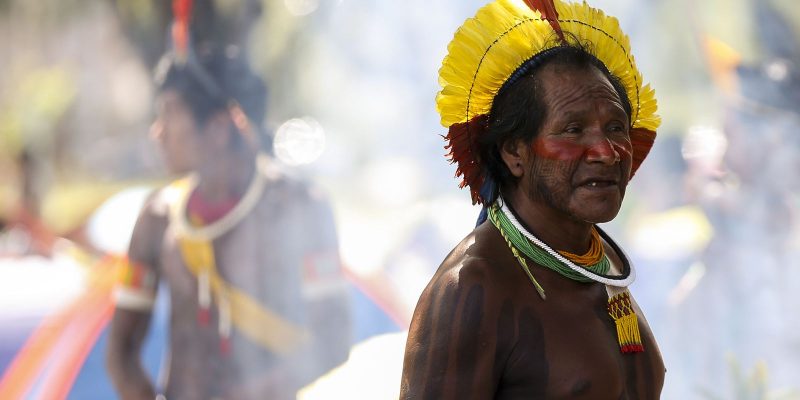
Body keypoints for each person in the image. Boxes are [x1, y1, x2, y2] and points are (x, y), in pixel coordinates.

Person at [400, 0, 665, 398]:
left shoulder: (598, 267)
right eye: (573, 129)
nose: (607, 151)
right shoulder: (473, 287)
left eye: (615, 127)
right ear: (514, 153)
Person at [106, 47, 350, 399]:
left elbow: (332, 339)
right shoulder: (156, 218)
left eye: (170, 114)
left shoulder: (301, 208)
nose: (158, 132)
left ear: (219, 127)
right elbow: (121, 352)